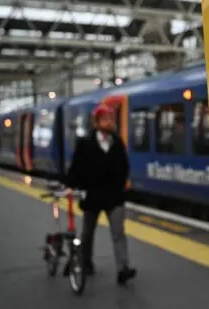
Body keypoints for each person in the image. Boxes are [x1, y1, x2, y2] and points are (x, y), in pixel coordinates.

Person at [64, 103, 137, 285]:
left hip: (114, 197)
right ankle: (86, 263)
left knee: (118, 233)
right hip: (93, 196)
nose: (109, 122)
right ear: (96, 123)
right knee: (87, 234)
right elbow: (76, 168)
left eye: (111, 119)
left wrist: (122, 184)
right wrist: (71, 186)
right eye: (105, 119)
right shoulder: (85, 143)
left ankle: (123, 269)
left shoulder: (117, 142)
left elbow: (125, 165)